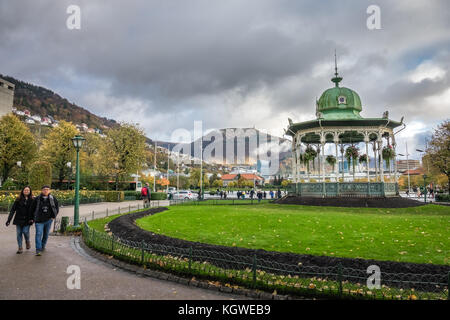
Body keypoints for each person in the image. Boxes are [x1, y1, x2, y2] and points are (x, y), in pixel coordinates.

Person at [31, 185, 59, 256]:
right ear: (42, 190)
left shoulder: (53, 199)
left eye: (47, 189)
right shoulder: (37, 199)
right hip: (38, 220)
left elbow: (56, 208)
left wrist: (53, 217)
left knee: (46, 234)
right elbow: (32, 209)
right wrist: (32, 218)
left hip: (48, 220)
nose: (46, 191)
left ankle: (43, 246)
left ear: (49, 191)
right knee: (38, 234)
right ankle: (38, 249)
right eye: (44, 189)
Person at [6, 186, 34, 254]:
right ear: (22, 191)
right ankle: (20, 248)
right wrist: (9, 220)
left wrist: (33, 219)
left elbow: (34, 210)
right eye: (25, 190)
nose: (26, 191)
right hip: (18, 219)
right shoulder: (18, 199)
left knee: (25, 232)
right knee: (19, 233)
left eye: (28, 190)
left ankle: (27, 241)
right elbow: (13, 210)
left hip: (28, 220)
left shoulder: (33, 199)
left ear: (30, 191)